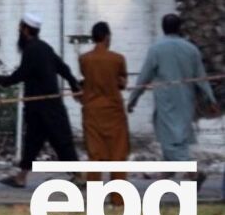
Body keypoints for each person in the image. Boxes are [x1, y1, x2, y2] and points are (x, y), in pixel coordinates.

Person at [0, 13, 81, 188]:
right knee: (34, 142)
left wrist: (0, 80)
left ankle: (79, 175)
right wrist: (73, 85)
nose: (19, 31)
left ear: (26, 30)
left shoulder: (31, 50)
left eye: (20, 28)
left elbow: (21, 74)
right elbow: (63, 68)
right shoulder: (45, 48)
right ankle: (21, 177)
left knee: (59, 140)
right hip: (45, 106)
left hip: (42, 106)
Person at [128, 13, 216, 182]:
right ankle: (168, 171)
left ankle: (192, 171)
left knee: (170, 140)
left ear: (163, 28)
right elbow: (201, 77)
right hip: (186, 100)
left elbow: (144, 78)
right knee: (178, 138)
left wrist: (133, 99)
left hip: (166, 102)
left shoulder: (156, 49)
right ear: (179, 28)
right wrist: (210, 100)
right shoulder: (191, 49)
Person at [78, 21, 129, 181]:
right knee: (118, 154)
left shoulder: (84, 59)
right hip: (113, 112)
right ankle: (118, 194)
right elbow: (122, 83)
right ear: (107, 37)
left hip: (92, 111)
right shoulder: (118, 59)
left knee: (95, 155)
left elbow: (86, 80)